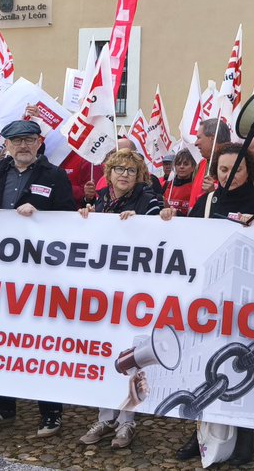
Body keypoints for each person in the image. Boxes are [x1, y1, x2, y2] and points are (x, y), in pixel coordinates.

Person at [167, 142, 254, 465]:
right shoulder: (207, 201)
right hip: (209, 303)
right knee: (203, 370)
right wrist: (170, 218)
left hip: (245, 304)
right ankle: (198, 436)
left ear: (248, 171)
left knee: (240, 370)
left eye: (236, 169)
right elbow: (189, 242)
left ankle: (245, 439)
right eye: (224, 170)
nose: (229, 176)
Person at [0, 119, 76, 438]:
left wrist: (42, 216)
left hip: (42, 275)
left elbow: (70, 218)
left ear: (40, 143)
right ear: (7, 146)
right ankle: (3, 406)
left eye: (29, 139)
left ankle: (51, 412)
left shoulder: (54, 175)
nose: (23, 146)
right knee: (2, 343)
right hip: (3, 276)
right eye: (16, 141)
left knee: (42, 344)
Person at [78, 149, 162, 450]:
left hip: (135, 291)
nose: (124, 175)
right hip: (105, 292)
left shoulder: (147, 199)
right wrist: (87, 218)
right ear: (108, 173)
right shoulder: (102, 200)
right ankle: (104, 417)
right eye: (119, 169)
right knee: (104, 354)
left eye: (130, 170)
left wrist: (141, 223)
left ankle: (127, 422)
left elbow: (163, 230)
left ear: (138, 175)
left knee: (130, 358)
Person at [164, 148, 198, 216]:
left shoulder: (196, 188)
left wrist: (178, 214)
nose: (181, 167)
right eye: (178, 164)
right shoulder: (167, 185)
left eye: (186, 164)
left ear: (193, 167)